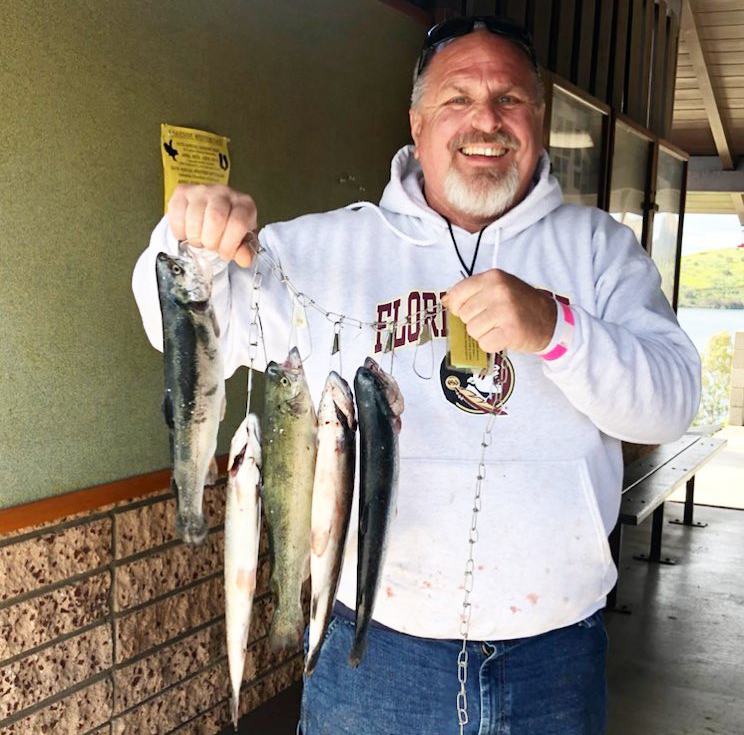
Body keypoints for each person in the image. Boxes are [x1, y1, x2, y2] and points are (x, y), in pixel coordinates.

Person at [133, 16, 701, 735]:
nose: (486, 120)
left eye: (510, 99)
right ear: (417, 121)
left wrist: (557, 327)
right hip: (375, 655)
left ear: (540, 118)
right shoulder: (326, 246)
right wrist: (192, 241)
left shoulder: (600, 252)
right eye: (457, 98)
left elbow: (671, 403)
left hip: (555, 657)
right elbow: (175, 324)